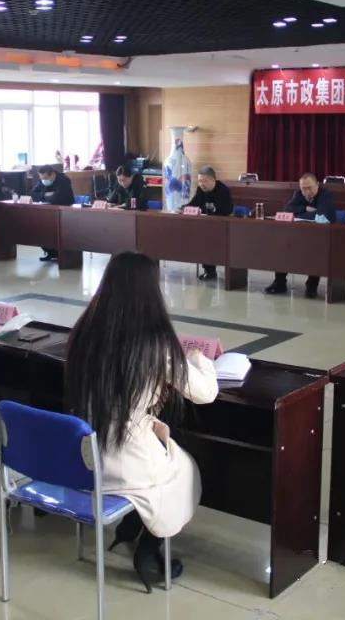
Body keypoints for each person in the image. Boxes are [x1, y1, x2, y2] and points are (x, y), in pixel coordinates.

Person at [65, 252, 218, 592]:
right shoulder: (155, 344)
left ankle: (130, 525)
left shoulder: (85, 331)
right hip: (128, 459)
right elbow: (205, 393)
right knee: (185, 469)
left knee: (162, 457)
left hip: (85, 457)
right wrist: (199, 360)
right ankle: (149, 550)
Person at [264, 173, 336, 298]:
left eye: (309, 188)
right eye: (303, 189)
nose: (306, 192)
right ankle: (280, 282)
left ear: (317, 185)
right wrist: (305, 209)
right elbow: (287, 210)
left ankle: (311, 286)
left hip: (322, 237)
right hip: (300, 234)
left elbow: (321, 216)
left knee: (316, 250)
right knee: (284, 245)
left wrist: (299, 212)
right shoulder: (299, 194)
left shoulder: (326, 195)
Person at [184, 166, 233, 281]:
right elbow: (194, 203)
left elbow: (226, 210)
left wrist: (203, 209)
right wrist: (183, 208)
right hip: (206, 226)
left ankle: (212, 270)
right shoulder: (201, 190)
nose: (201, 184)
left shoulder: (223, 190)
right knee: (203, 238)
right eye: (199, 181)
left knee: (208, 238)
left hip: (223, 227)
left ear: (213, 180)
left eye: (204, 181)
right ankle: (209, 271)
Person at [30, 165, 74, 261]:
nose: (43, 180)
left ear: (53, 174)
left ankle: (61, 254)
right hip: (47, 212)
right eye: (41, 178)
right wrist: (46, 194)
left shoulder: (63, 180)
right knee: (40, 230)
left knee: (57, 232)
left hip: (64, 213)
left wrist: (43, 197)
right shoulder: (43, 181)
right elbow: (32, 194)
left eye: (45, 178)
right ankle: (51, 253)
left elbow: (57, 198)